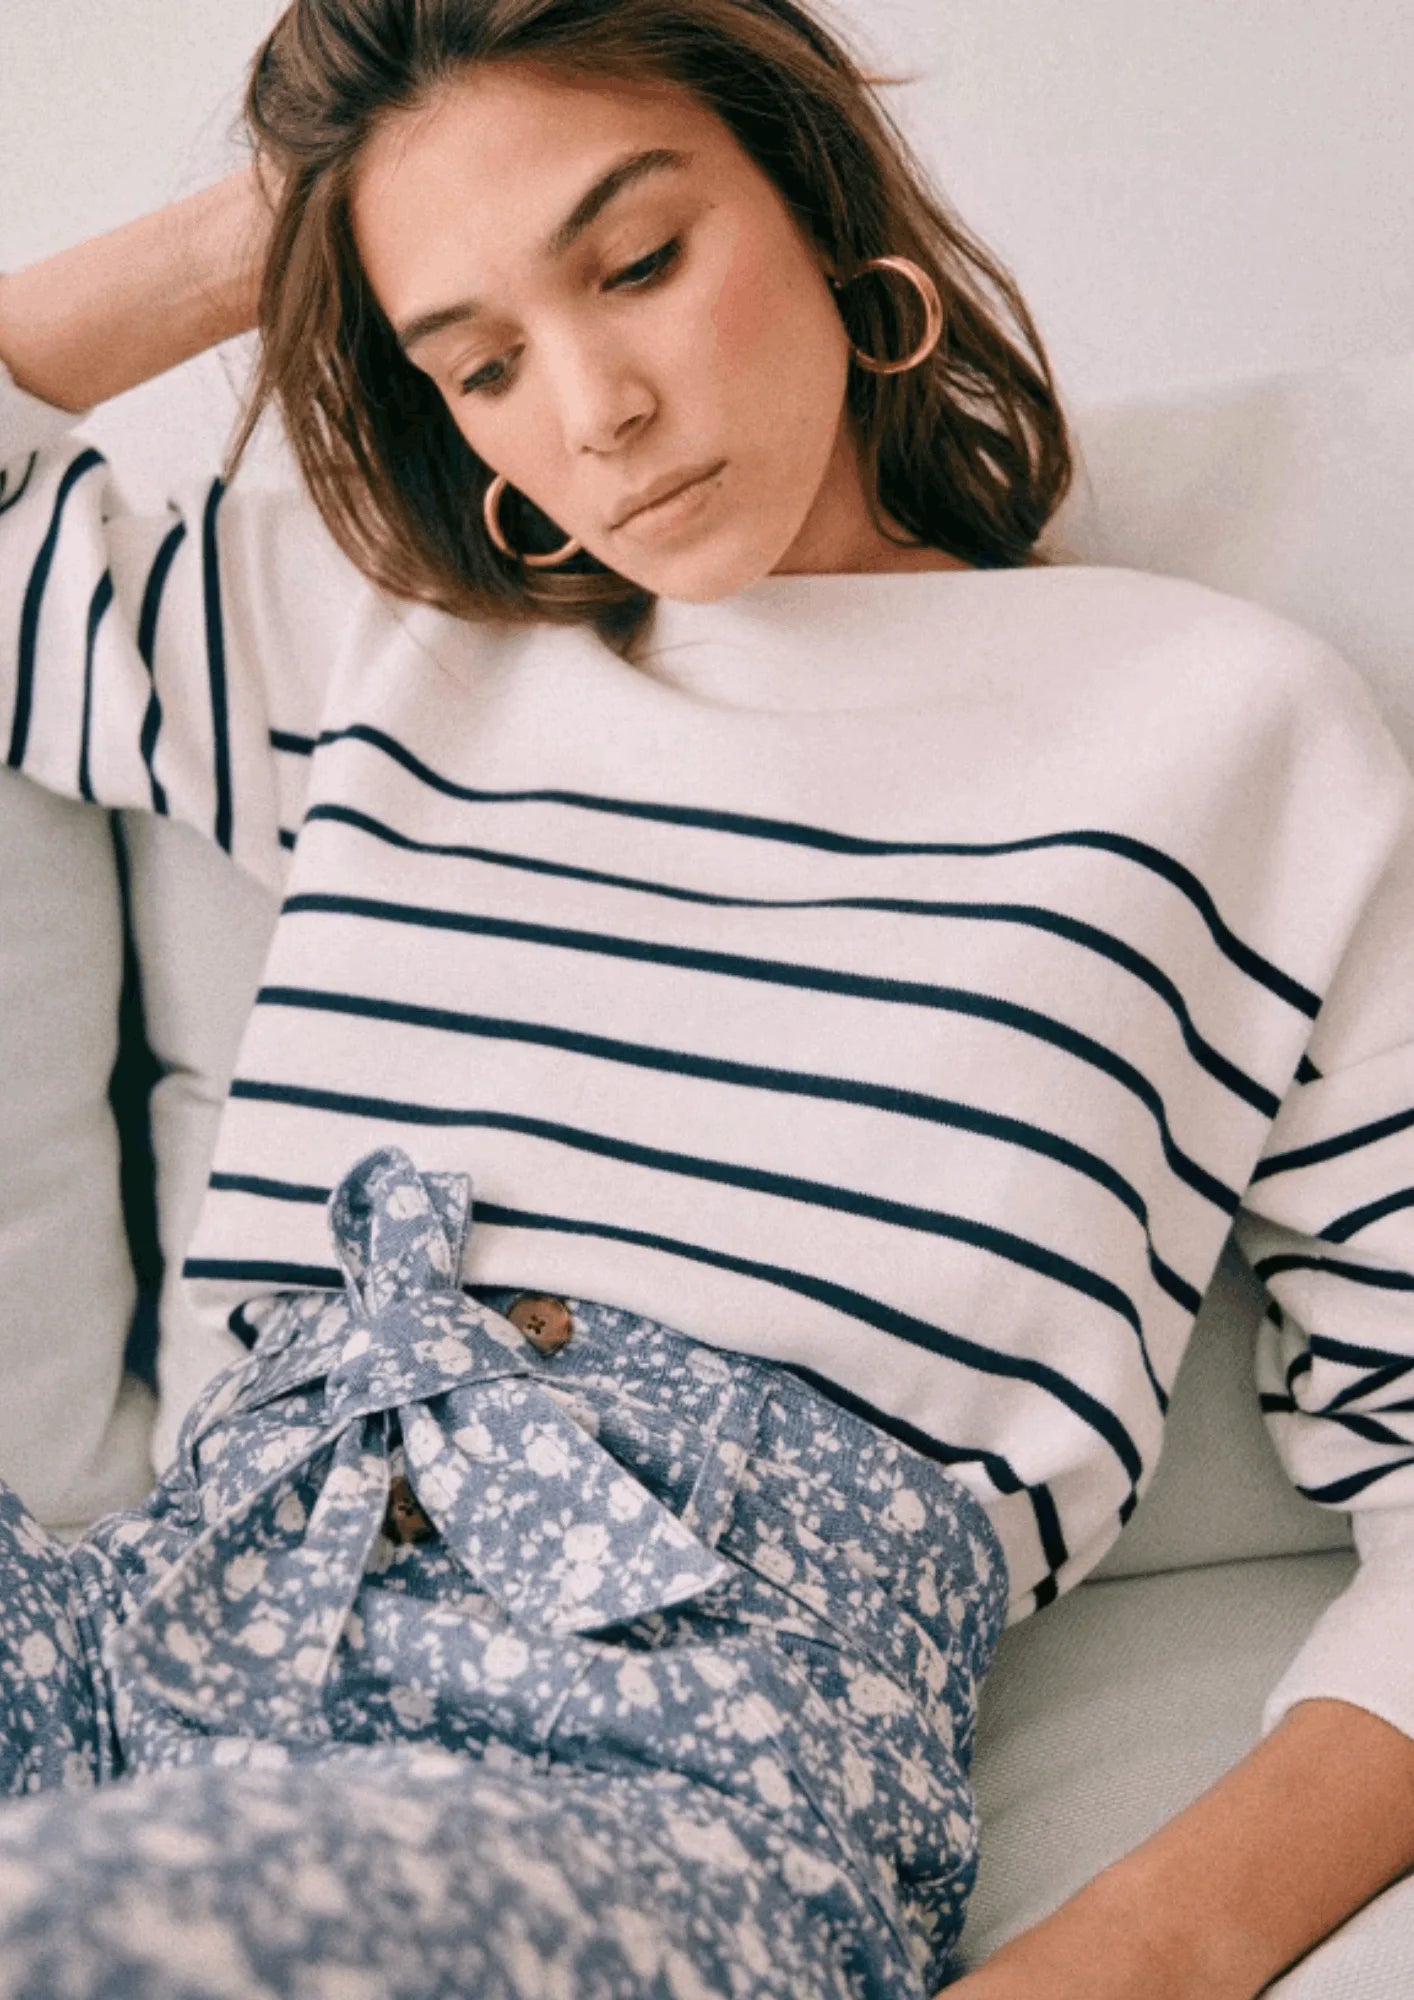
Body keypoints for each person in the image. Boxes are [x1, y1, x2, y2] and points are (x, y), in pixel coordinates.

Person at [0, 2, 1411, 1995]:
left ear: (815, 195)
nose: (593, 411)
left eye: (638, 260)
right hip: (159, 1638)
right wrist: (338, 192)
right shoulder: (380, 639)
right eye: (479, 360)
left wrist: (1144, 1948)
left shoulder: (1228, 731)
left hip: (666, 1772)